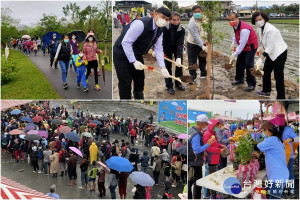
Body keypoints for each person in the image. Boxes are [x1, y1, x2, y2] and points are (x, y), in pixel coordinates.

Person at [113, 7, 171, 99]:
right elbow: (126, 42)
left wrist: (163, 67)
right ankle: (126, 103)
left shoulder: (159, 31)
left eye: (167, 19)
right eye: (162, 17)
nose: (164, 20)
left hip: (136, 53)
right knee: (125, 82)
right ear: (155, 14)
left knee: (139, 79)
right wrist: (133, 61)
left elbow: (159, 49)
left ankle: (139, 99)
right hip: (121, 52)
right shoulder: (140, 24)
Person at [251, 12, 288, 99]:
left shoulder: (270, 29)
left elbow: (271, 46)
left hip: (279, 53)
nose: (258, 22)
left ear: (264, 18)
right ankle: (266, 91)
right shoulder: (261, 28)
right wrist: (260, 48)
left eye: (260, 19)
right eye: (256, 20)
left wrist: (261, 58)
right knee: (266, 71)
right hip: (271, 53)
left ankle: (281, 97)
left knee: (278, 76)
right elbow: (265, 42)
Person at [252, 121, 289, 199]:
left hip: (277, 176)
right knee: (271, 195)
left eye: (263, 131)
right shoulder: (277, 139)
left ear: (267, 130)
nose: (263, 133)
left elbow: (256, 147)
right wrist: (260, 155)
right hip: (279, 174)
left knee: (273, 197)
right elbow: (273, 154)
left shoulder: (271, 140)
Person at [270, 114, 298, 197]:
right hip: (278, 155)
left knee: (289, 172)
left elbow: (298, 138)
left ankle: (291, 190)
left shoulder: (289, 129)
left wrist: (292, 139)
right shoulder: (275, 129)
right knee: (281, 172)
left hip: (288, 155)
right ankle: (283, 188)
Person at [228, 12, 258, 92]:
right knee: (240, 63)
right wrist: (233, 43)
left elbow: (242, 44)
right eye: (230, 20)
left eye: (233, 19)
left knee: (248, 64)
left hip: (250, 47)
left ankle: (251, 84)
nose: (231, 21)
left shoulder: (244, 29)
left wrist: (234, 54)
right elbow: (235, 35)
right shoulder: (235, 25)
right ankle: (239, 79)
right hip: (244, 46)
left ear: (237, 18)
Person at [188, 114, 215, 199]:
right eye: (206, 124)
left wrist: (203, 151)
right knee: (197, 185)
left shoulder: (191, 130)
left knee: (190, 183)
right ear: (202, 123)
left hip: (192, 161)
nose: (207, 125)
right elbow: (196, 150)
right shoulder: (196, 134)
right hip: (195, 163)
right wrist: (208, 144)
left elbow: (194, 147)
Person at [161, 11, 185, 94]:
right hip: (167, 48)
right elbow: (160, 41)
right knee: (167, 67)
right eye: (174, 20)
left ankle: (178, 82)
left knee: (179, 66)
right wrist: (160, 52)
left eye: (178, 20)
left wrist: (178, 56)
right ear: (169, 20)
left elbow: (180, 43)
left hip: (177, 48)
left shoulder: (182, 29)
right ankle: (169, 86)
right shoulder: (164, 28)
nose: (176, 22)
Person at [203, 119, 227, 198]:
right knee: (211, 178)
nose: (216, 127)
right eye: (215, 126)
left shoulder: (213, 134)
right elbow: (208, 148)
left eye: (217, 126)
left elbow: (215, 144)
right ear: (211, 125)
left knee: (214, 176)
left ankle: (213, 193)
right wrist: (219, 150)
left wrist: (220, 146)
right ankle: (212, 195)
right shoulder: (208, 134)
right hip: (211, 159)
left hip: (215, 159)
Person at [187, 5, 208, 84]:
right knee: (192, 61)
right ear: (192, 13)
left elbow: (208, 31)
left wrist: (206, 43)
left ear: (202, 12)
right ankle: (193, 77)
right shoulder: (192, 22)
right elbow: (195, 36)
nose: (197, 13)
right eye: (195, 12)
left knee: (203, 59)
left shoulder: (206, 19)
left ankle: (203, 74)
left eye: (199, 12)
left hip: (203, 43)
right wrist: (202, 46)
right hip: (193, 44)